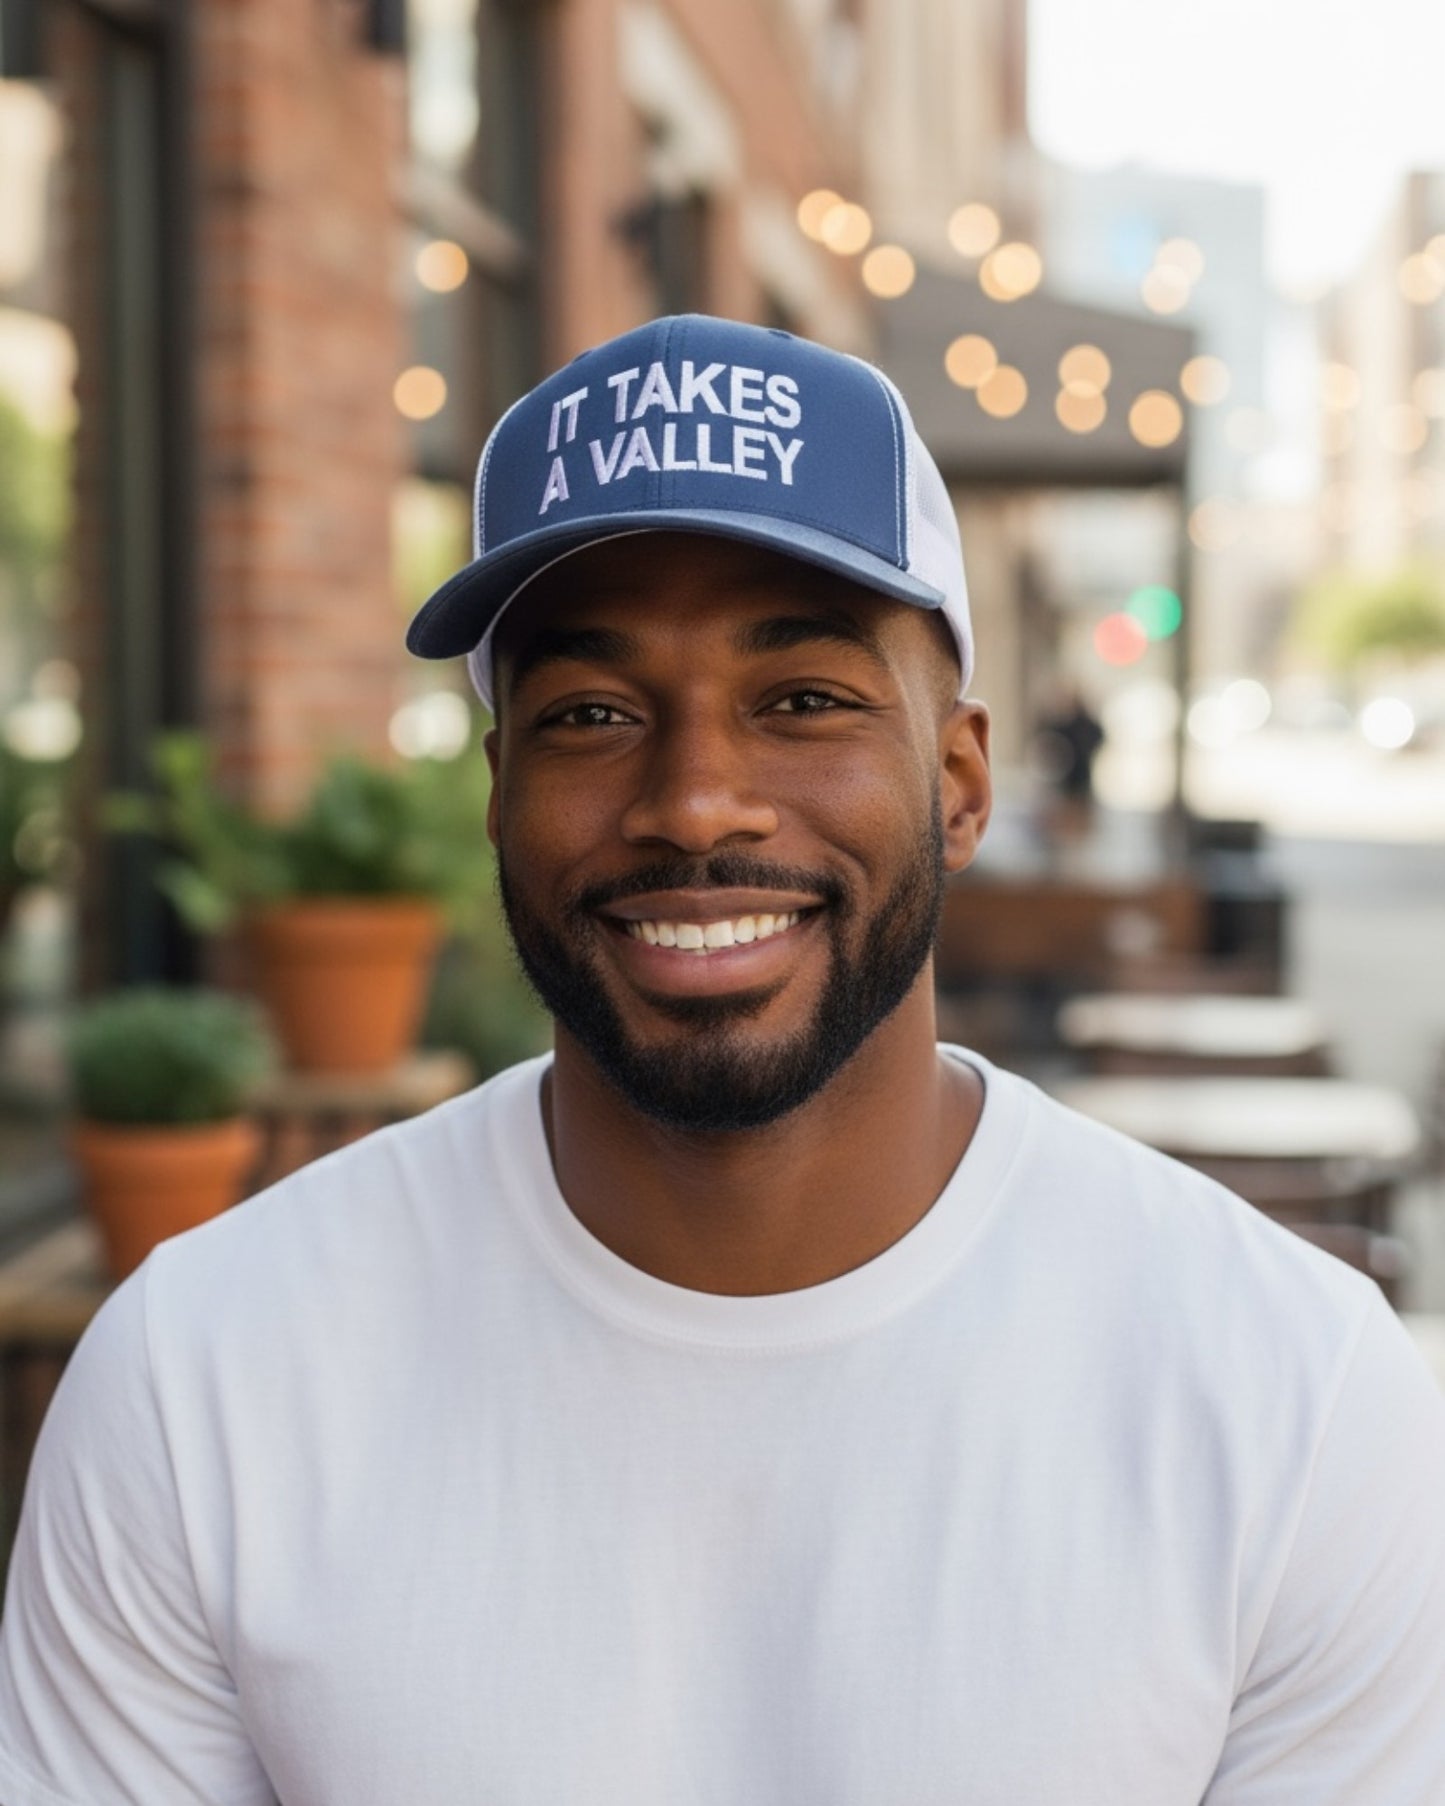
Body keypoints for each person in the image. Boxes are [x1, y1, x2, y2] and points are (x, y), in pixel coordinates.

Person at [1, 315, 1443, 1804]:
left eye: (802, 700)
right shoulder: (199, 1386)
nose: (694, 802)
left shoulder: (1293, 1402)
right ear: (499, 793)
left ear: (956, 782)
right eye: (591, 713)